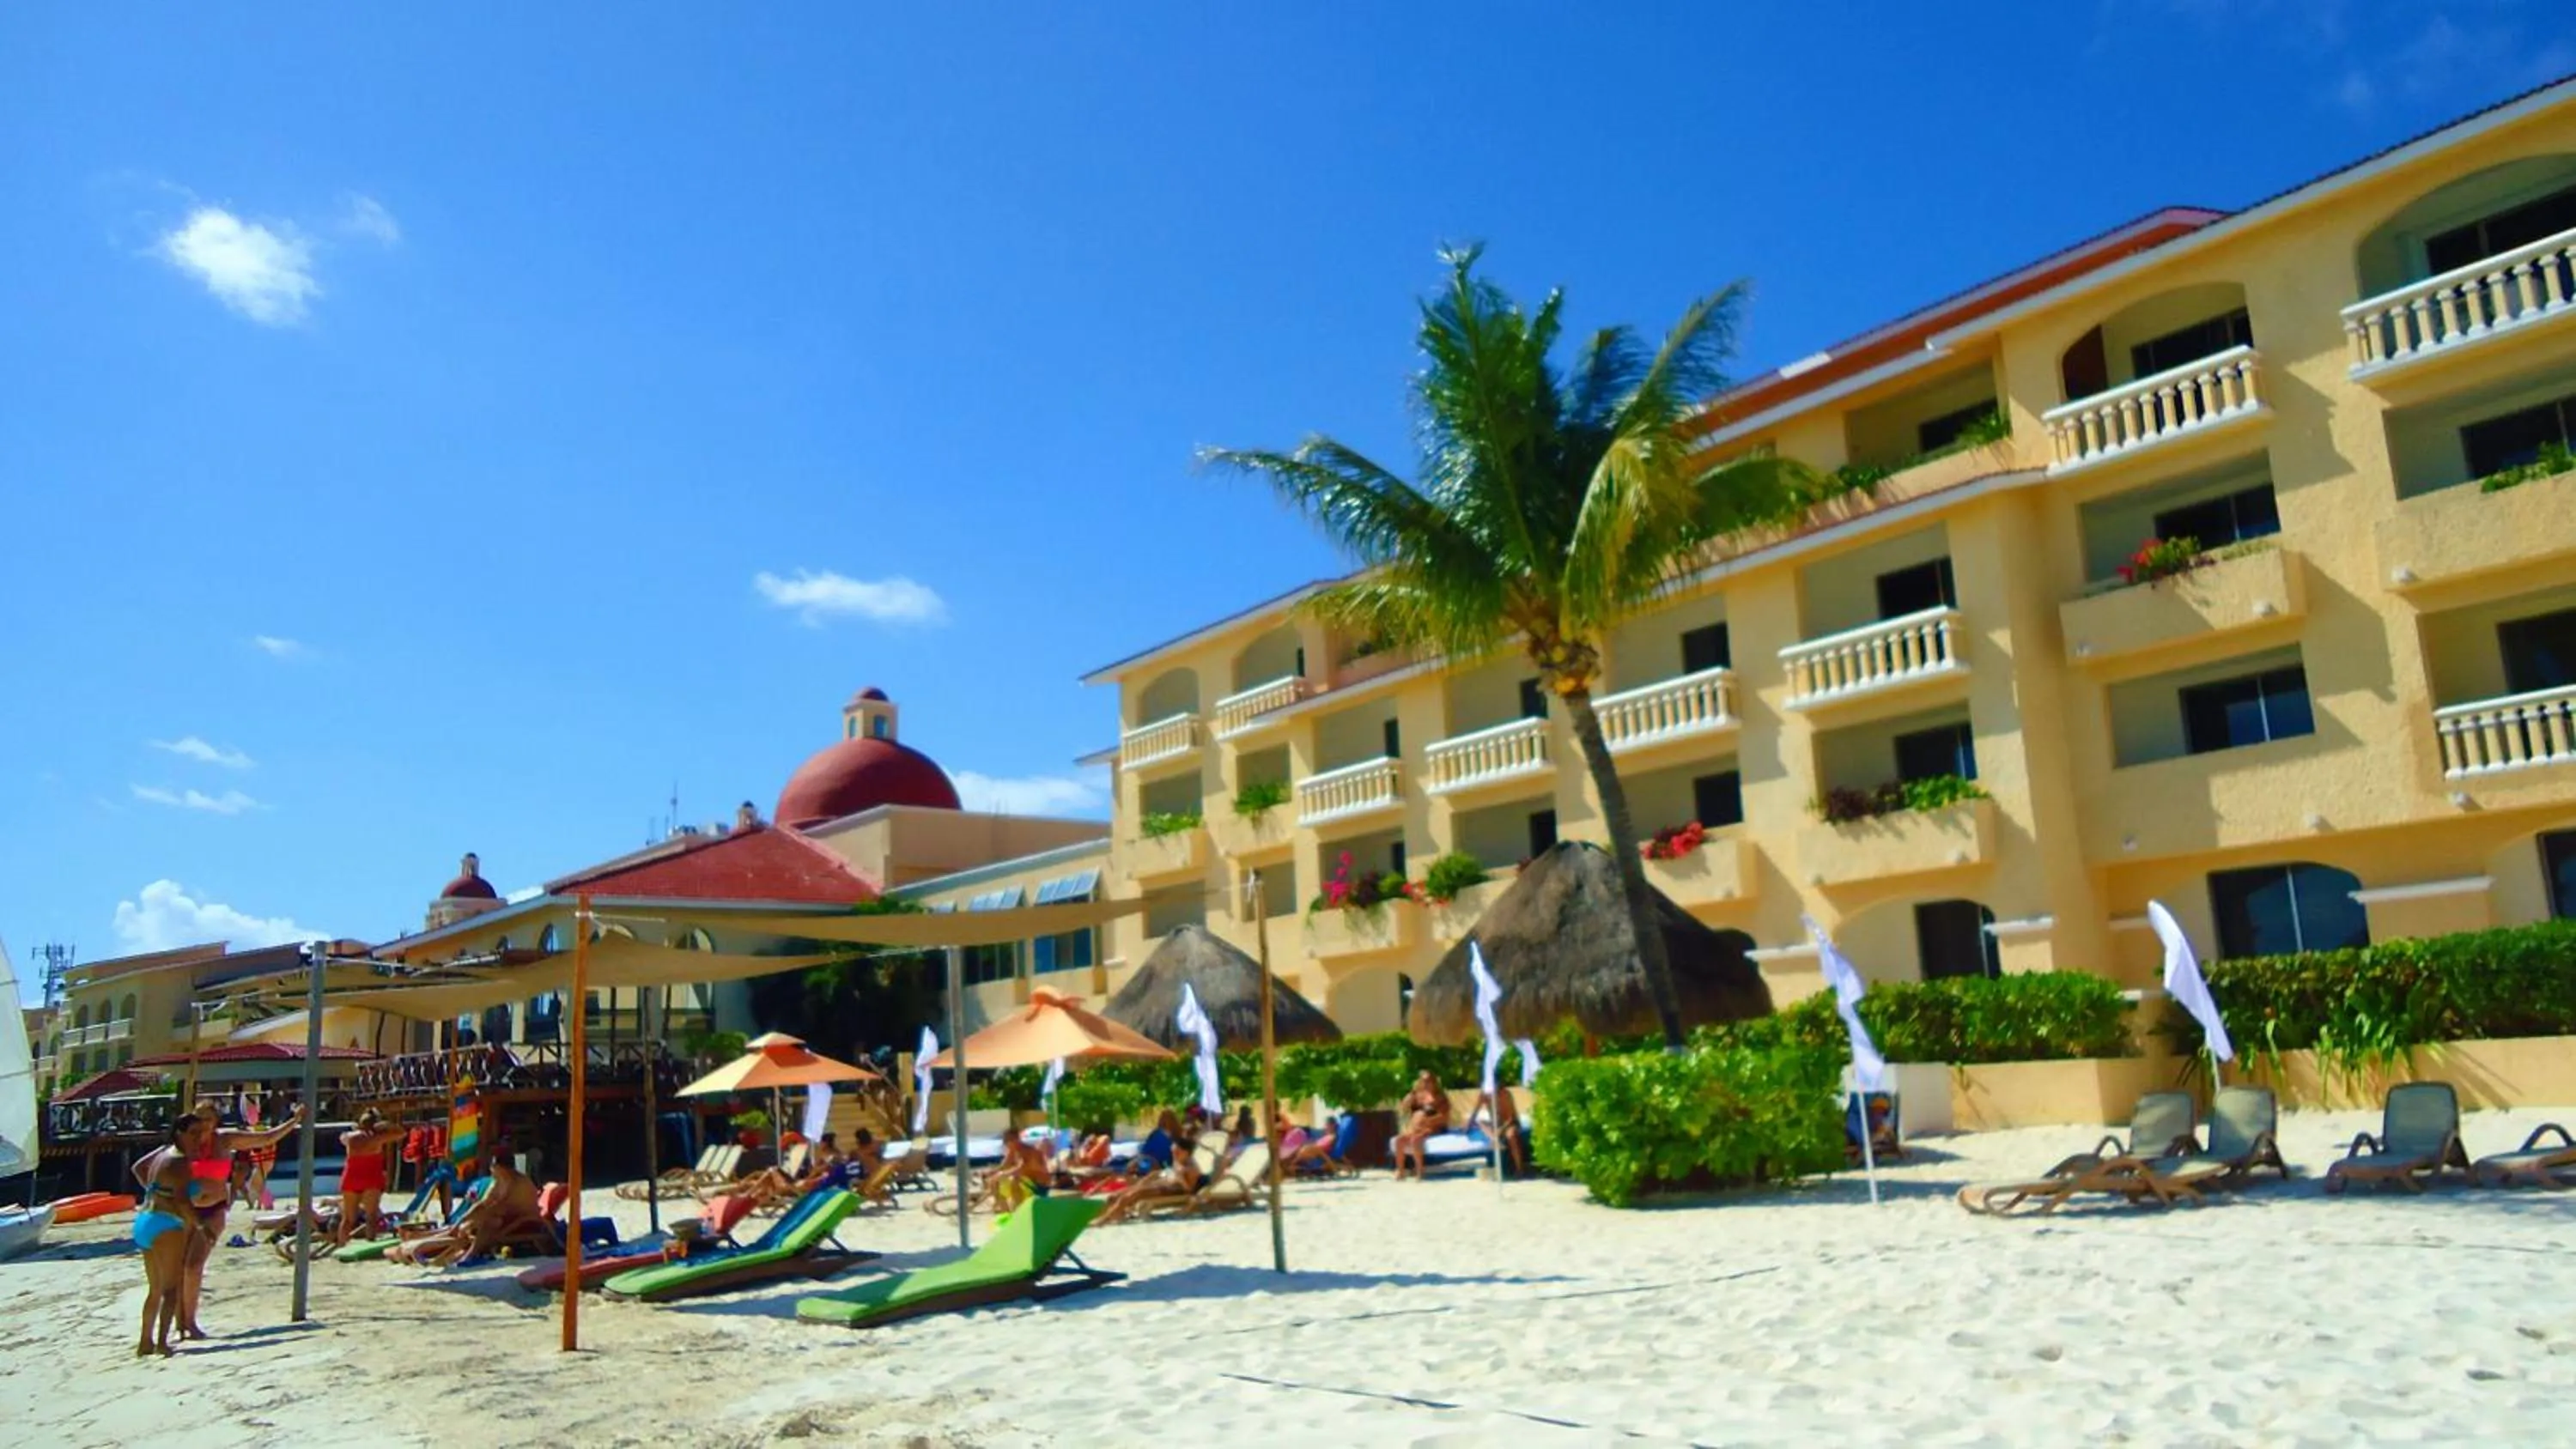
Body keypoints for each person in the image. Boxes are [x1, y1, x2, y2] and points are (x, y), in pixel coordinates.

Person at [135, 1101, 304, 1340]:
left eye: (208, 1120)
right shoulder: (181, 1147)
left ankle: (189, 1322)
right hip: (184, 1213)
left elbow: (265, 1138)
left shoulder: (224, 1141)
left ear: (215, 1121)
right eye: (199, 1119)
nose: (203, 1126)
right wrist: (164, 1197)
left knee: (193, 1266)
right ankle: (179, 1326)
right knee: (178, 1269)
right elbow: (141, 1168)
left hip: (213, 1210)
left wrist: (294, 1121)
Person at [134, 1122, 220, 1357]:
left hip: (145, 1220)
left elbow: (139, 1170)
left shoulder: (162, 1155)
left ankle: (145, 1342)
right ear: (179, 1133)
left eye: (199, 1134)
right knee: (171, 1289)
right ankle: (162, 1343)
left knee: (155, 1289)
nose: (197, 1139)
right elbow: (182, 1201)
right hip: (166, 1224)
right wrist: (201, 1226)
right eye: (193, 1133)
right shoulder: (181, 1161)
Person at [393, 1143, 547, 1268]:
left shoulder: (517, 1183)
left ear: (501, 1167)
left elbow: (496, 1207)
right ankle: (421, 1240)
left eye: (493, 1166)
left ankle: (469, 1255)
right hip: (508, 1219)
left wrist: (470, 1222)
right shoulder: (500, 1181)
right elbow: (482, 1204)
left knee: (489, 1221)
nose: (491, 1170)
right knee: (471, 1223)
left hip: (524, 1221)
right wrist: (461, 1221)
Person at [334, 1112, 408, 1248]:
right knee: (371, 1216)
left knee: (348, 1219)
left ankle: (341, 1245)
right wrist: (387, 1124)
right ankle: (370, 1243)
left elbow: (343, 1137)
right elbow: (402, 1133)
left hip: (351, 1177)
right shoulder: (377, 1138)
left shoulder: (349, 1137)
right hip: (371, 1178)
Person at [1390, 1071, 1451, 1180]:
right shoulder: (1417, 1096)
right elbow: (1403, 1108)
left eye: (1428, 1081)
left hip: (1433, 1128)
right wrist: (1409, 1097)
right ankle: (1400, 1170)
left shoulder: (1440, 1098)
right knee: (1399, 1140)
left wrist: (1427, 1121)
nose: (1426, 1083)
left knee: (1415, 1140)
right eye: (1423, 1081)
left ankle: (1420, 1171)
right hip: (1416, 1128)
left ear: (1434, 1082)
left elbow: (1444, 1117)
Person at [1471, 1084, 1528, 1178]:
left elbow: (1510, 1118)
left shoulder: (1505, 1094)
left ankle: (1519, 1168)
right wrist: (1467, 1126)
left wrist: (1500, 1130)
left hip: (1509, 1123)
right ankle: (1494, 1139)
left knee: (1511, 1135)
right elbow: (1475, 1112)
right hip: (1495, 1125)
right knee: (1480, 1122)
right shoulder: (1484, 1094)